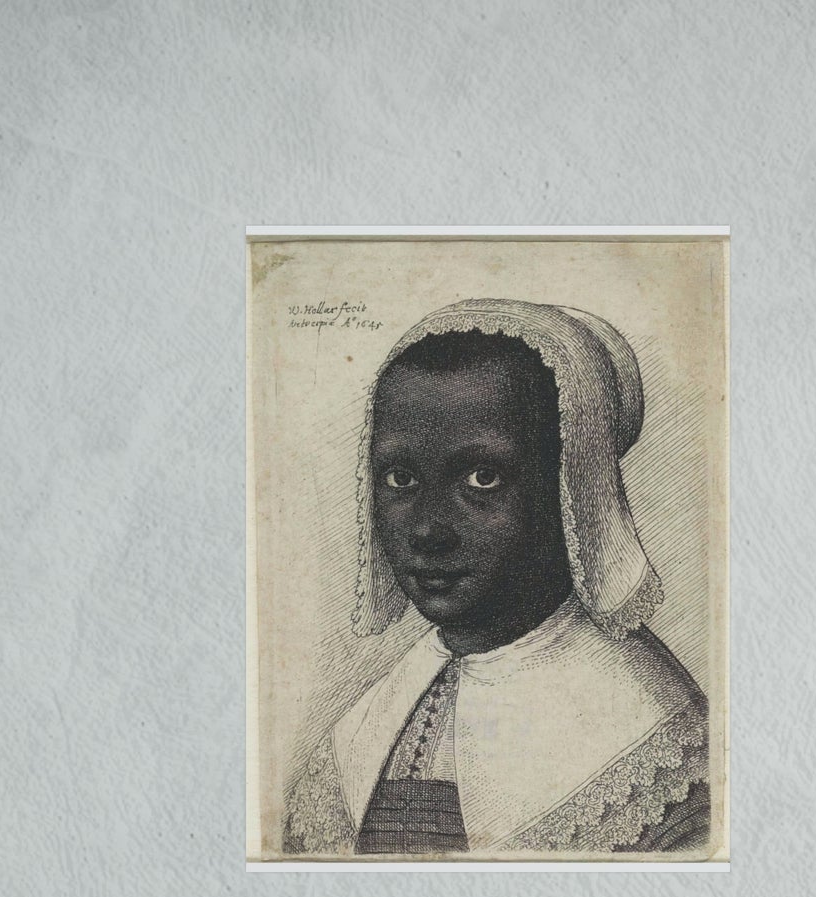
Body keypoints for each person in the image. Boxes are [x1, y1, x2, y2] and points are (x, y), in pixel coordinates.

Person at [283, 298, 709, 857]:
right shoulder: (364, 727)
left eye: (483, 478)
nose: (429, 529)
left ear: (572, 493)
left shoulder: (657, 751)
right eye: (401, 477)